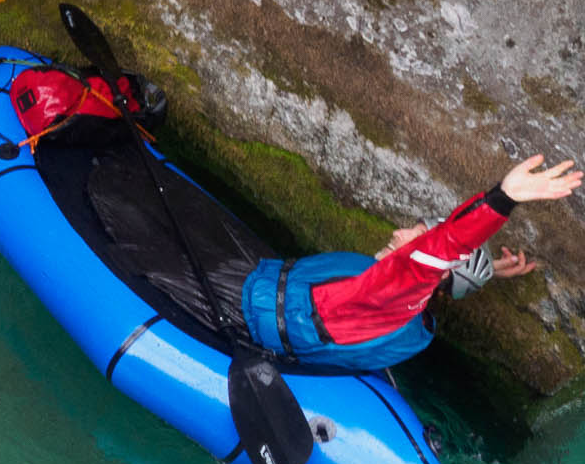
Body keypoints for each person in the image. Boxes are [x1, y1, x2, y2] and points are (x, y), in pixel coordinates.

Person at [241, 155, 580, 370]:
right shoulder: (405, 317)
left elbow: (440, 254)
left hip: (249, 311)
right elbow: (440, 274)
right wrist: (486, 271)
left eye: (415, 238)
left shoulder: (387, 292)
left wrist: (501, 199)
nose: (398, 233)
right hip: (273, 311)